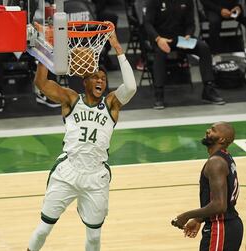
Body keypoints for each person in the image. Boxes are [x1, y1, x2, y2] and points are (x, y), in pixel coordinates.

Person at [26, 30, 137, 251]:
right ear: (85, 81)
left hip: (96, 177)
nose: (100, 81)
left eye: (104, 79)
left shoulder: (112, 104)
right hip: (68, 172)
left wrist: (118, 49)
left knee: (94, 237)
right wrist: (47, 49)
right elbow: (41, 82)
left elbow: (131, 87)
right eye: (96, 77)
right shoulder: (71, 99)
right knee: (44, 228)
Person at [172, 122, 243, 251]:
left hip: (221, 227)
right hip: (227, 225)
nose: (208, 130)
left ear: (221, 139)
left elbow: (219, 205)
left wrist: (186, 216)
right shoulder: (225, 157)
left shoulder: (215, 162)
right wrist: (199, 219)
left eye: (213, 130)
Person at [144, 0, 225, 109]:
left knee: (203, 48)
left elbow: (190, 23)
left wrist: (188, 35)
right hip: (162, 38)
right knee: (160, 52)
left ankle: (208, 89)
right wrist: (158, 39)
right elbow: (147, 23)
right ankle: (159, 94)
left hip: (181, 39)